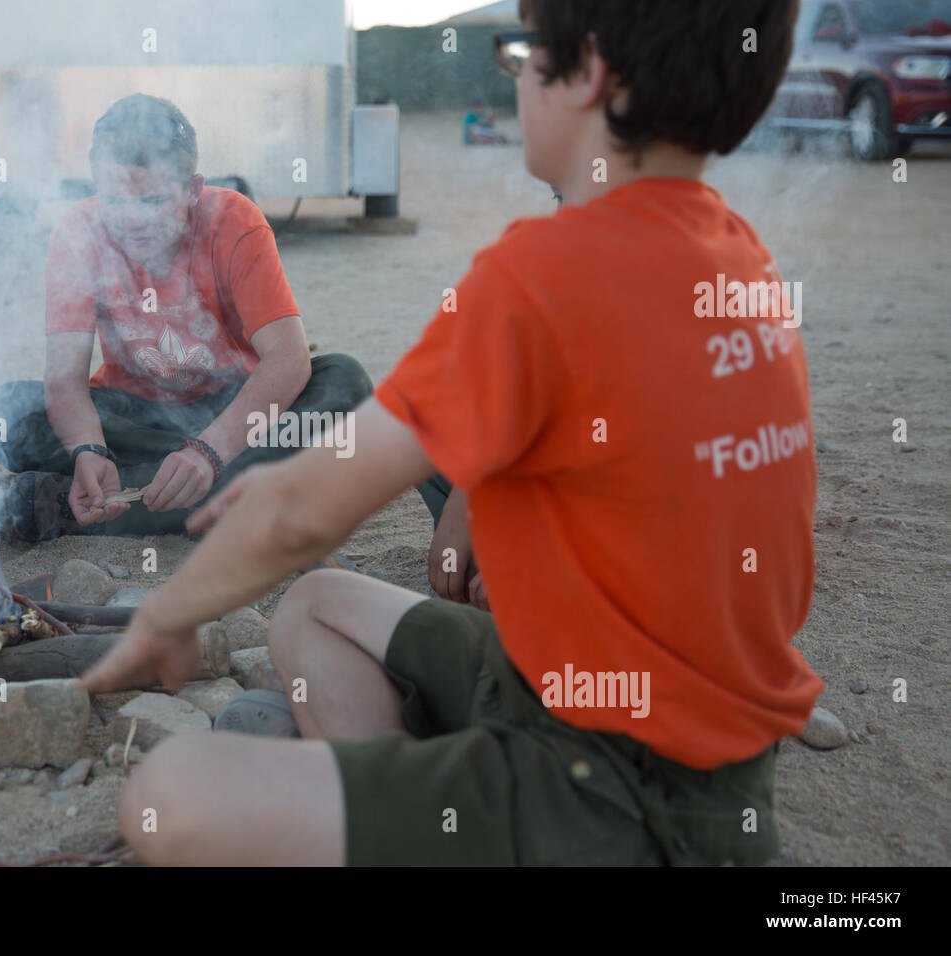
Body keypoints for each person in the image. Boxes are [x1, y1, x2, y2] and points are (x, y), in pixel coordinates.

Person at [78, 0, 822, 866]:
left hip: (611, 784)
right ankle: (420, 813)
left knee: (170, 796)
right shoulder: (741, 260)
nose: (514, 80)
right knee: (314, 607)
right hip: (649, 728)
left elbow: (304, 516)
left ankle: (453, 823)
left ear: (585, 74)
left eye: (522, 54)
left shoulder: (543, 273)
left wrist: (167, 615)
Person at [0, 94, 383, 540]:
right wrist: (89, 448)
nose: (132, 220)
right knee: (8, 413)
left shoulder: (235, 221)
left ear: (193, 190)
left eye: (153, 201)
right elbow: (64, 379)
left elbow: (289, 360)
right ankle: (233, 491)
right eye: (114, 200)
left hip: (235, 411)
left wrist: (207, 452)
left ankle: (112, 503)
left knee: (346, 384)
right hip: (134, 418)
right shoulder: (78, 232)